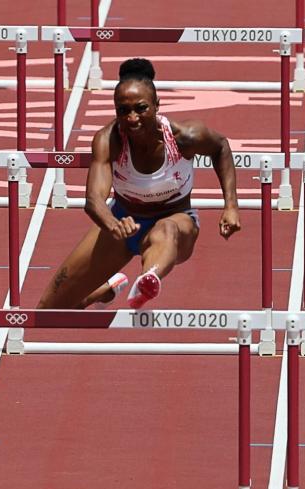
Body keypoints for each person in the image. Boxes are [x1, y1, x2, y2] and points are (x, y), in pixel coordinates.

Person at [37, 58, 241, 310]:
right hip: (123, 221)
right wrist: (113, 224)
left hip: (176, 220)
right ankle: (102, 291)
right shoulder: (108, 139)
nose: (132, 118)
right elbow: (94, 199)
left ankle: (148, 279)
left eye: (141, 108)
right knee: (49, 311)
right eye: (123, 110)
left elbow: (220, 147)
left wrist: (230, 205)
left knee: (165, 230)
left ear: (157, 105)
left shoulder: (184, 137)